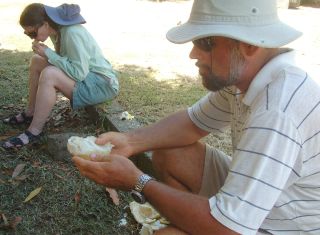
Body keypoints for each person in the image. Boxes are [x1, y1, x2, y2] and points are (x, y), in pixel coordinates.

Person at [73, 0, 320, 234]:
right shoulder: (245, 80)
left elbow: (230, 230)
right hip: (265, 202)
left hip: (287, 225)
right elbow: (192, 123)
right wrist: (131, 141)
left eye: (206, 42)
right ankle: (191, 221)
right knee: (171, 152)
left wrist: (138, 181)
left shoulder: (276, 111)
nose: (193, 53)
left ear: (249, 45)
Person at [2, 3, 119, 149]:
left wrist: (49, 54)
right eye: (28, 34)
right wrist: (48, 55)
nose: (32, 37)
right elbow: (67, 61)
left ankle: (34, 131)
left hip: (102, 85)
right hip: (89, 78)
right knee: (37, 61)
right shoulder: (57, 30)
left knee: (50, 74)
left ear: (45, 24)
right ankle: (30, 112)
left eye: (32, 33)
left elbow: (78, 73)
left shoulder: (71, 33)